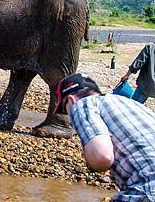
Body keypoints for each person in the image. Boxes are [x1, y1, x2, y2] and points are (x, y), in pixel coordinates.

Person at [54, 73, 155, 201]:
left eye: (64, 110)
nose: (68, 115)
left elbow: (102, 158)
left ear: (70, 100)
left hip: (148, 188)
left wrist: (89, 158)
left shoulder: (82, 104)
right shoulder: (132, 104)